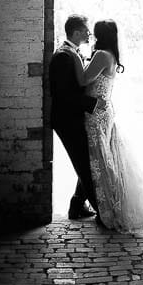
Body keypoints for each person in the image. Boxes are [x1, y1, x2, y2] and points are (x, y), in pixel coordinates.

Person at [75, 19, 143, 232]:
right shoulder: (110, 54)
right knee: (99, 157)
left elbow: (83, 81)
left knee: (96, 159)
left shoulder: (101, 55)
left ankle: (107, 207)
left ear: (100, 35)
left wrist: (76, 57)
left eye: (95, 33)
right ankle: (80, 201)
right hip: (104, 110)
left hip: (95, 114)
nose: (92, 35)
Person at [48, 14, 102, 220]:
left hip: (74, 117)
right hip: (66, 120)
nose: (89, 34)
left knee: (86, 160)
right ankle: (102, 210)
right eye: (86, 30)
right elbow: (63, 94)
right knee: (85, 165)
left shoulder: (72, 52)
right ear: (77, 32)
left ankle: (76, 206)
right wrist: (93, 104)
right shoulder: (63, 55)